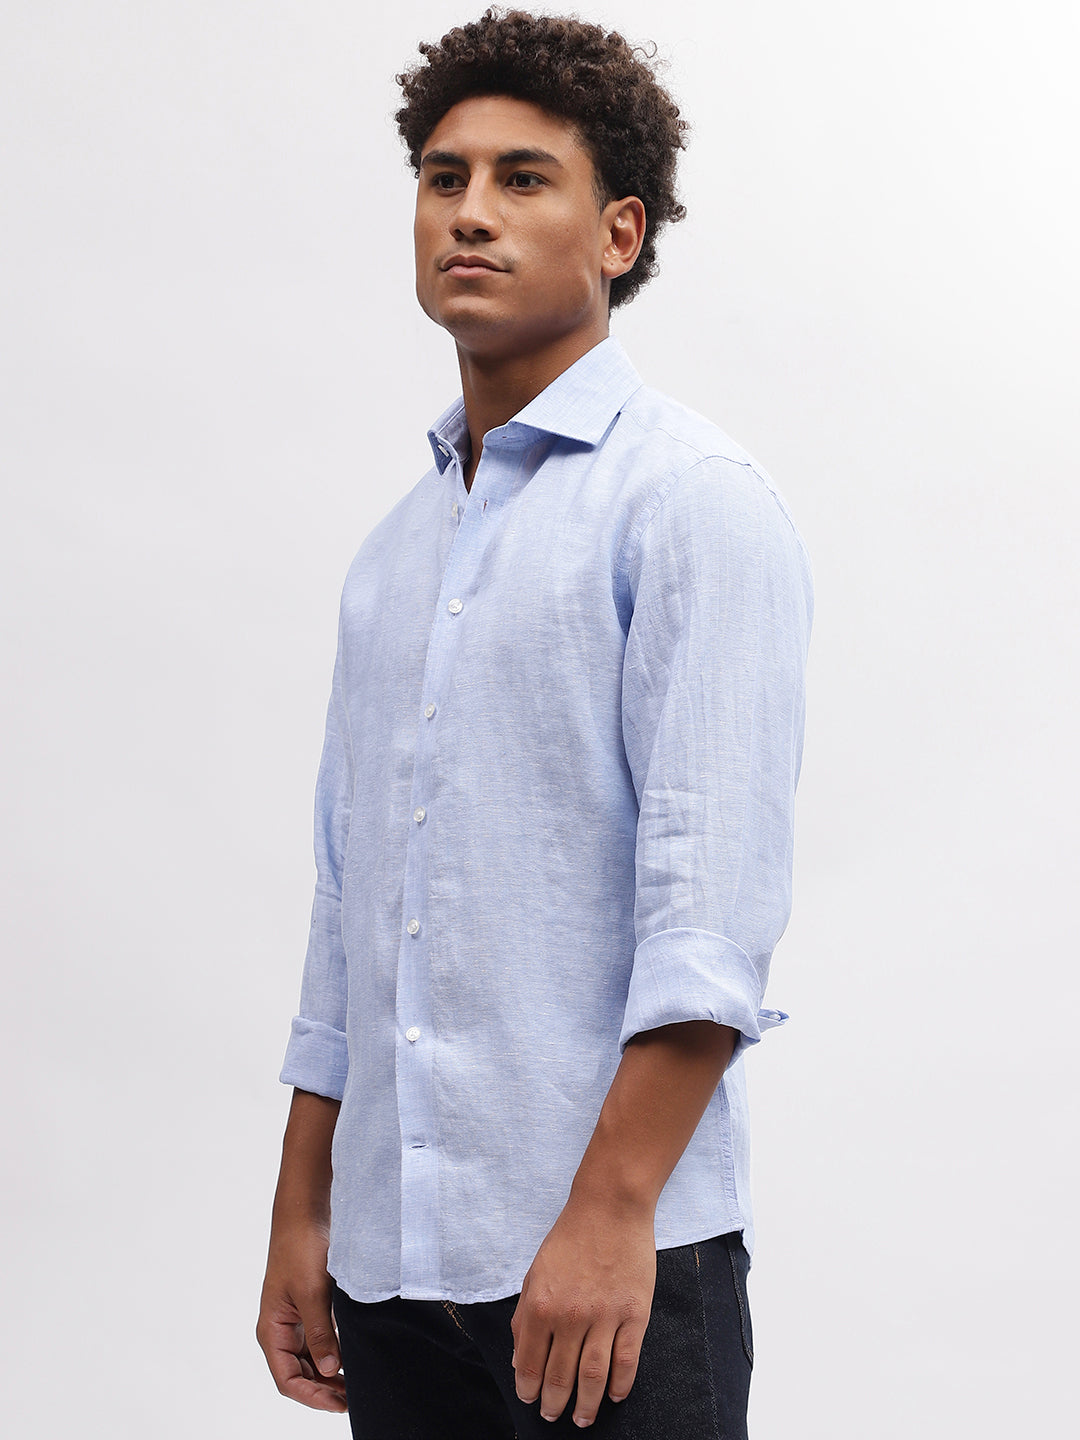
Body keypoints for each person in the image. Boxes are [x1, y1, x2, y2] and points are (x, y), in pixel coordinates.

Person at [256, 9, 812, 1437]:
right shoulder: (393, 558)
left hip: (614, 1269)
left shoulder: (690, 503)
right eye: (443, 178)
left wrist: (610, 1214)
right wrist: (305, 1207)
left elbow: (711, 917)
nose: (469, 213)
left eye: (522, 178)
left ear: (619, 233)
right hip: (393, 1277)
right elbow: (349, 909)